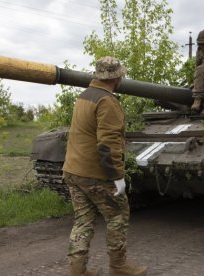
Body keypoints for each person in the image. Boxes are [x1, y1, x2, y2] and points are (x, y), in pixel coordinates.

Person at [62, 56, 147, 276]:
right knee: (117, 216)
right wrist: (117, 176)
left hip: (73, 170)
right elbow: (108, 144)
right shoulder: (107, 101)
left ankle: (77, 271)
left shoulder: (84, 96)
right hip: (96, 173)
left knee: (83, 221)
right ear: (117, 76)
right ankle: (119, 267)